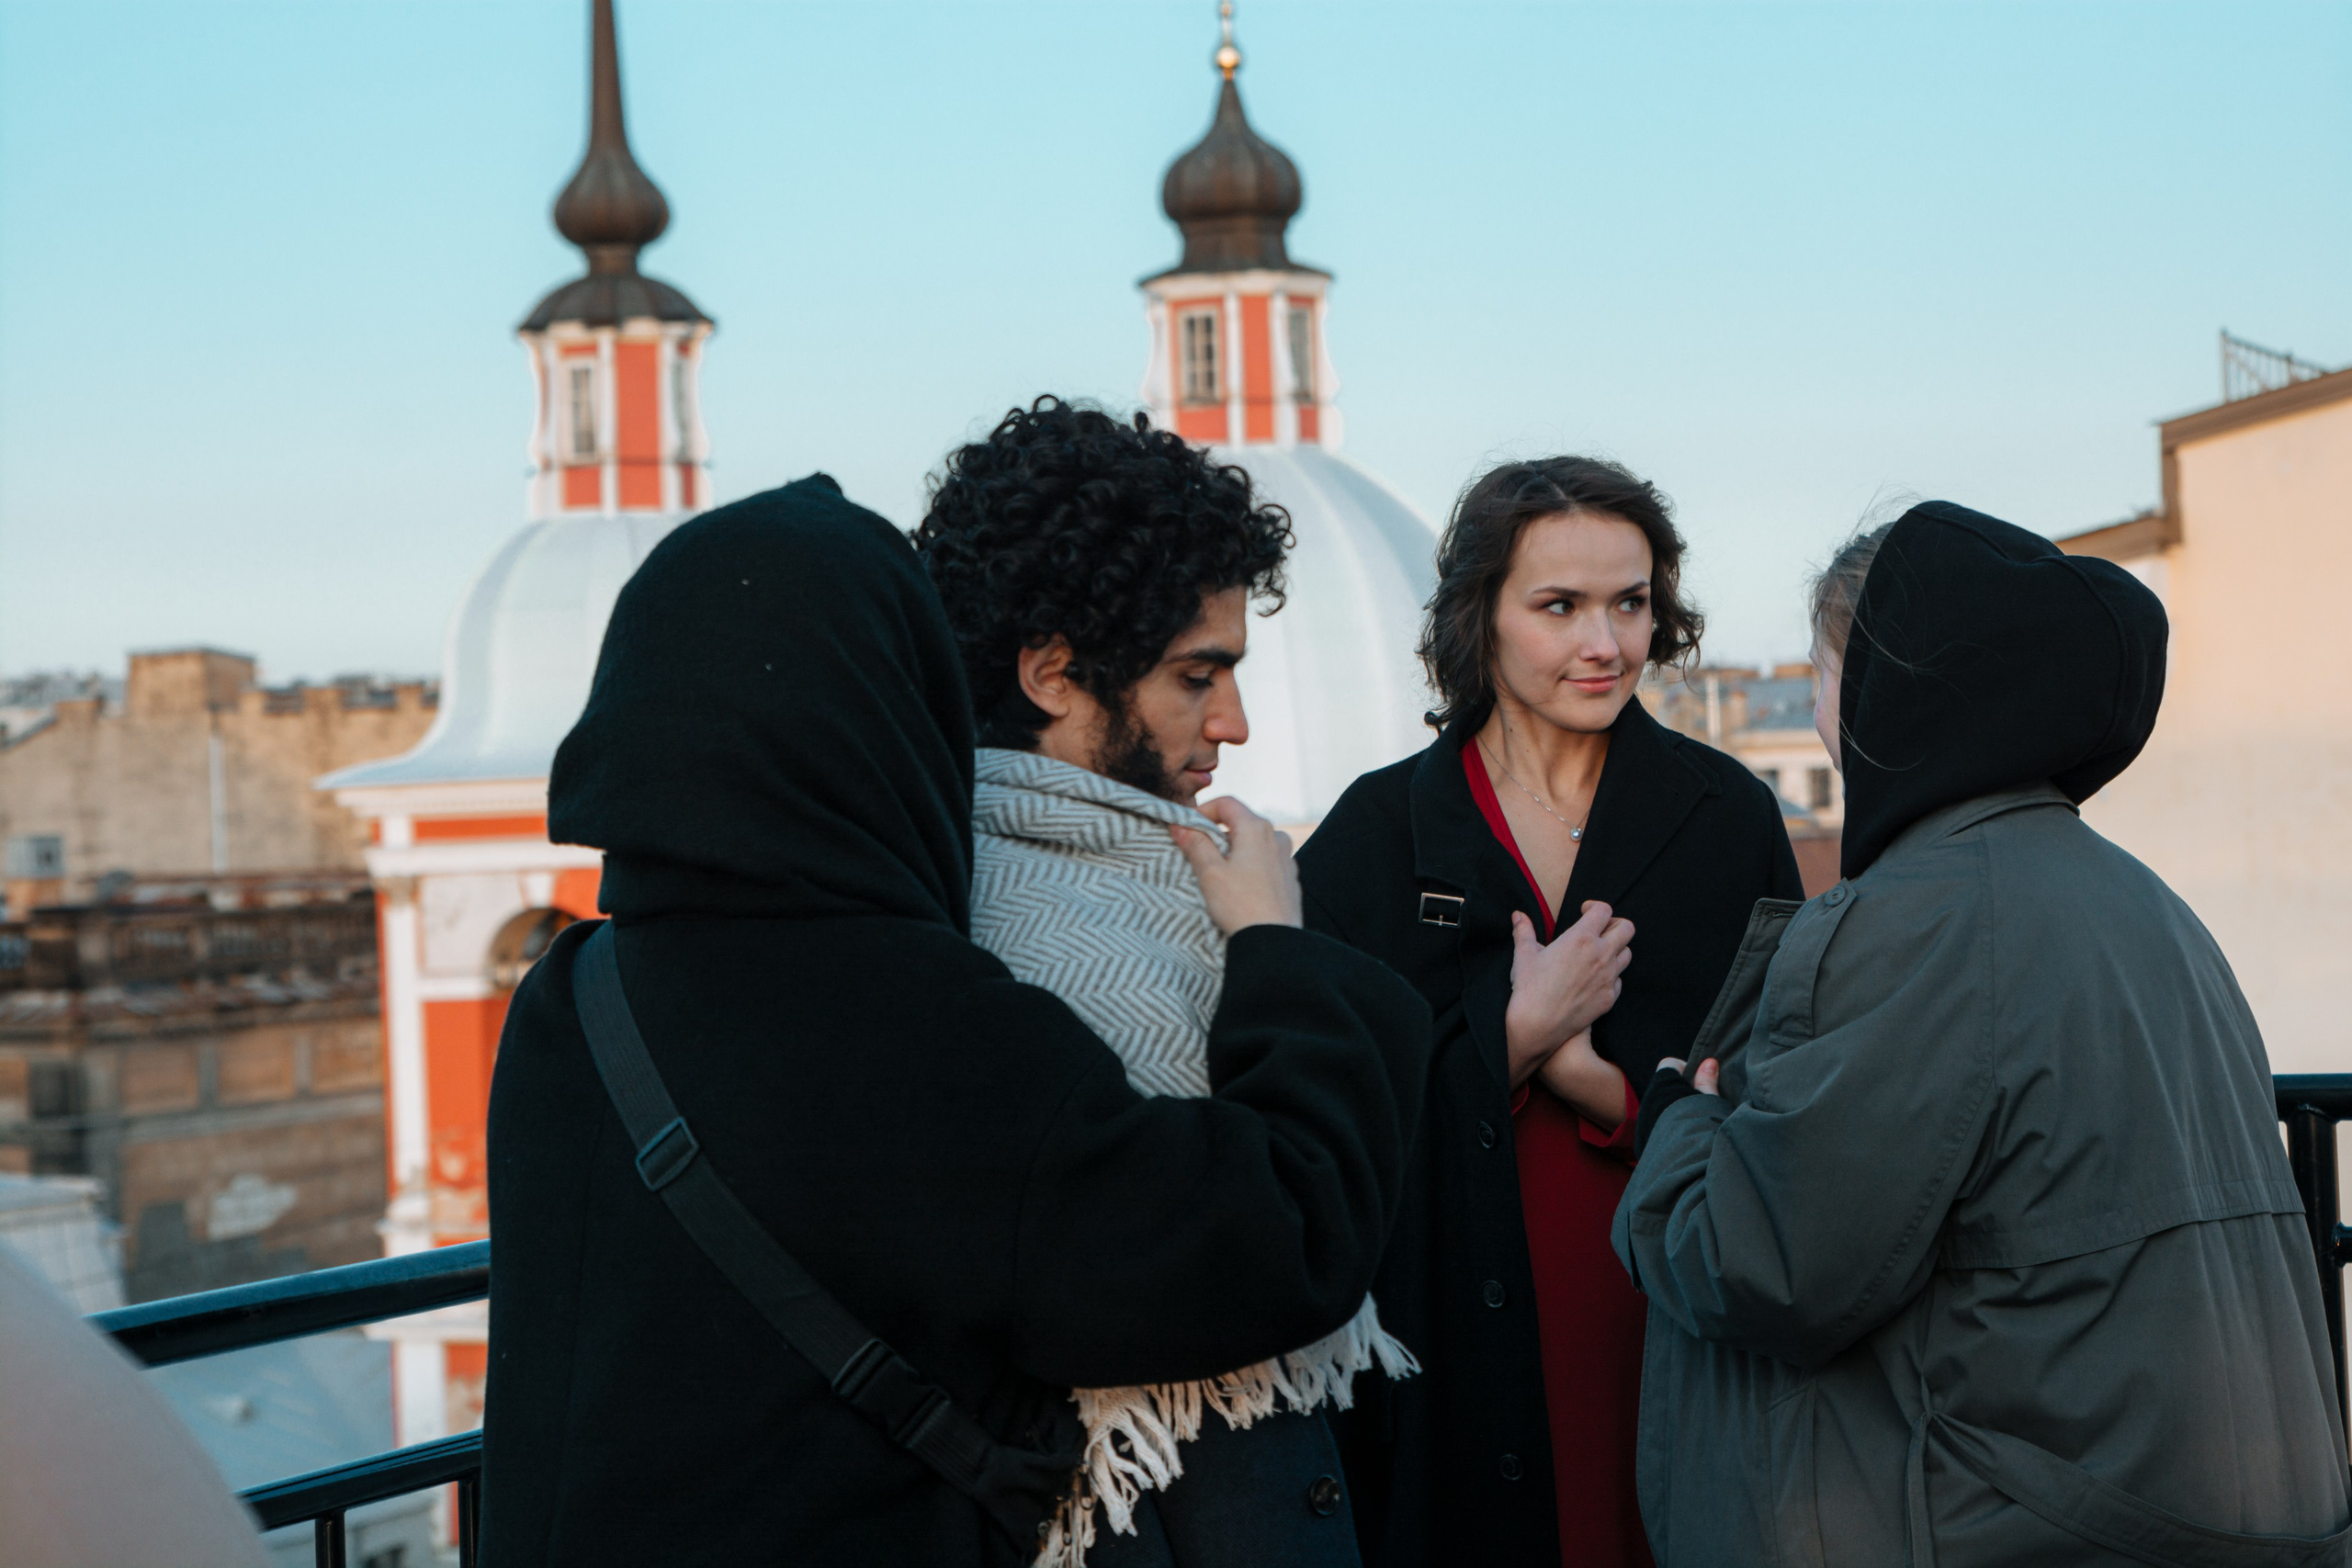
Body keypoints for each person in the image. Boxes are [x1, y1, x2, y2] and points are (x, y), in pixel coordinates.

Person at [477, 475, 1433, 1568]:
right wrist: (1283, 954)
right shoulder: (899, 1013)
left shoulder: (571, 995)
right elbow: (1259, 1245)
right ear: (887, 708)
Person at [1614, 501, 2349, 1565]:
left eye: (1824, 672)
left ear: (1887, 692)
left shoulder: (1914, 921)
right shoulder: (2142, 901)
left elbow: (1765, 1265)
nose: (1819, 706)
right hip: (2196, 1508)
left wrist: (1680, 1121)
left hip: (2024, 1526)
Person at [917, 400, 1416, 1567]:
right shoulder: (1011, 927)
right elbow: (1256, 1242)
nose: (1232, 723)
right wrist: (1270, 951)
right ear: (1050, 672)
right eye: (1199, 676)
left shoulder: (994, 880)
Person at [1296, 457, 1802, 1567]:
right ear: (1481, 617)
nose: (1605, 645)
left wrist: (1603, 1091)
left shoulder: (1727, 822)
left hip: (1670, 1341)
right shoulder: (1373, 838)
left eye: (1630, 603)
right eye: (1559, 607)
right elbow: (1316, 1130)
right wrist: (1512, 1039)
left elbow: (1786, 1107)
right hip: (1444, 1369)